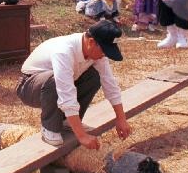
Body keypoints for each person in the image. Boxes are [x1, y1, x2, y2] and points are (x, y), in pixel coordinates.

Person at [17, 20, 130, 148]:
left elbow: (109, 83)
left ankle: (67, 122)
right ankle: (49, 127)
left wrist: (121, 118)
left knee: (95, 76)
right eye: (104, 51)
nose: (105, 55)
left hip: (53, 84)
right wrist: (81, 136)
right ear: (91, 42)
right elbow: (66, 92)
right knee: (54, 81)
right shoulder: (64, 51)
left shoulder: (95, 52)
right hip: (28, 87)